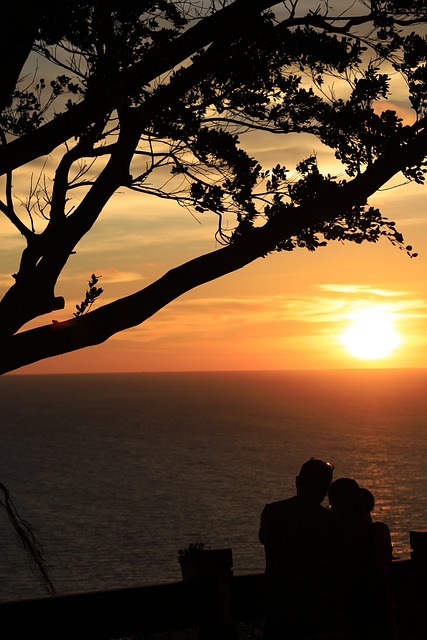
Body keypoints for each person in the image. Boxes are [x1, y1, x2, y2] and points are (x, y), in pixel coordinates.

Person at [259, 457, 347, 639]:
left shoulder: (272, 512)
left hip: (279, 613)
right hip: (318, 616)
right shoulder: (331, 522)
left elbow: (263, 538)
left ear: (298, 481)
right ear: (325, 489)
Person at [328, 478, 397, 640]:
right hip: (376, 608)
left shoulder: (332, 535)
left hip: (346, 610)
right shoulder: (379, 531)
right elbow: (384, 569)